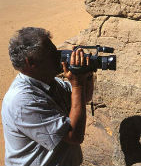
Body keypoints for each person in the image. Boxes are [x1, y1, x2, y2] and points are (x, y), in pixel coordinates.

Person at [1, 27, 93, 166]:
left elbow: (83, 98)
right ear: (30, 63)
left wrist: (87, 73)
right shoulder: (22, 100)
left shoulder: (49, 81)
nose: (59, 57)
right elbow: (74, 136)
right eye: (51, 54)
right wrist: (77, 85)